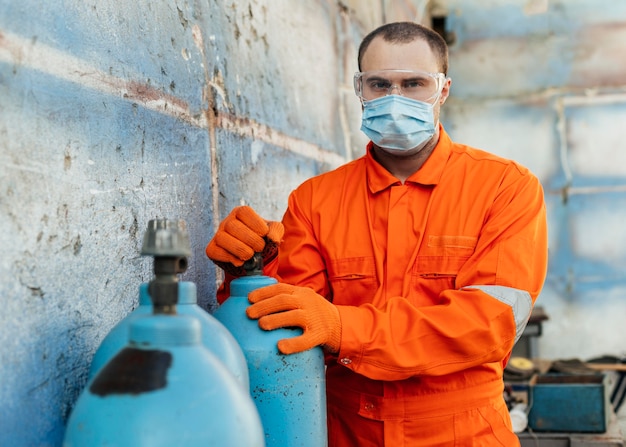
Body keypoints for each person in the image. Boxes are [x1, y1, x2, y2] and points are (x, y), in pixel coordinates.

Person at [206, 21, 548, 447]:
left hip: (463, 430)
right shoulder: (315, 199)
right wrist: (248, 272)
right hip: (346, 429)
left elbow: (486, 324)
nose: (395, 98)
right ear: (359, 89)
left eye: (414, 84)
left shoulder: (505, 188)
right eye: (380, 84)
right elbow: (287, 325)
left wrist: (343, 327)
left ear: (442, 90)